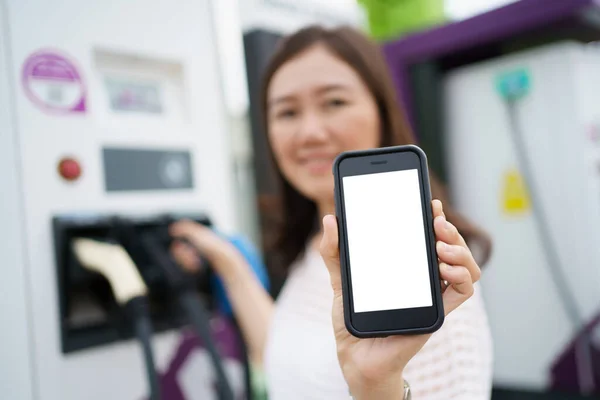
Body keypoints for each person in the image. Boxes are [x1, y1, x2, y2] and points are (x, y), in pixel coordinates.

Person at [169, 25, 494, 400]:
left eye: (334, 103)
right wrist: (228, 263)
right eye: (287, 112)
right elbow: (290, 361)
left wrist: (375, 386)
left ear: (381, 111)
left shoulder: (431, 277)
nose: (309, 132)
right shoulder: (319, 246)